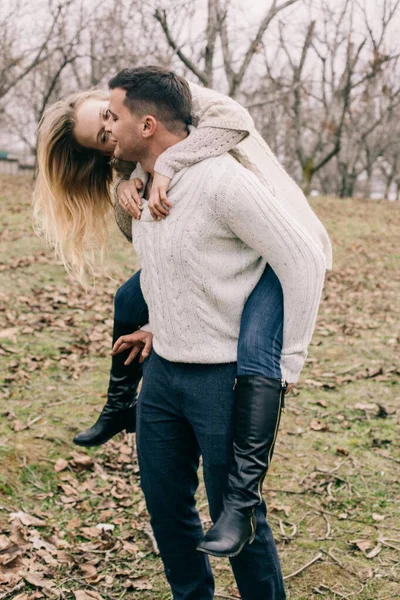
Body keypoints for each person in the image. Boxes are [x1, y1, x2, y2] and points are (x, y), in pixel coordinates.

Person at [104, 65, 326, 598]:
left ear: (150, 124)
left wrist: (286, 360)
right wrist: (157, 325)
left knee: (239, 522)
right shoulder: (143, 186)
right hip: (162, 377)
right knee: (167, 510)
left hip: (223, 380)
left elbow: (302, 260)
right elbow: (176, 270)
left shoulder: (223, 180)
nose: (106, 127)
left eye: (114, 116)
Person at [33, 74, 332, 450]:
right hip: (223, 241)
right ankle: (120, 405)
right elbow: (149, 238)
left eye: (108, 117)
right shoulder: (129, 158)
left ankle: (243, 486)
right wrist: (121, 184)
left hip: (275, 237)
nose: (111, 131)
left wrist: (169, 164)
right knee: (128, 300)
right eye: (103, 139)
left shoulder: (163, 97)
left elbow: (235, 119)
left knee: (257, 349)